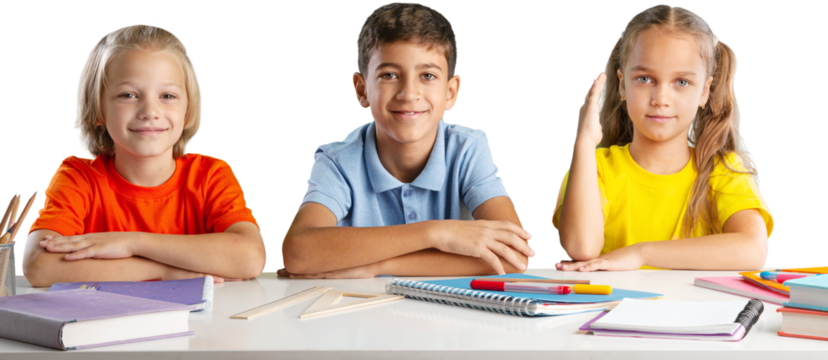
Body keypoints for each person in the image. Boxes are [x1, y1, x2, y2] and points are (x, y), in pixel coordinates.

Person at [278, 1, 535, 279]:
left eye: (427, 75)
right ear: (361, 90)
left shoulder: (467, 148)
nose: (409, 93)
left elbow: (515, 255)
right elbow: (297, 253)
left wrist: (378, 267)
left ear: (451, 92)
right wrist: (436, 232)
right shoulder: (338, 160)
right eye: (389, 75)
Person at [21, 22, 266, 287]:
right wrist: (163, 271)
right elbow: (38, 265)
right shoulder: (78, 178)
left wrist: (130, 242)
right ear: (99, 109)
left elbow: (250, 258)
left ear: (188, 109)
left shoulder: (210, 175)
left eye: (167, 95)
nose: (150, 110)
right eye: (128, 94)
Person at [552, 4, 774, 272]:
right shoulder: (595, 168)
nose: (661, 100)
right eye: (645, 78)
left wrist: (641, 254)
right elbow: (581, 247)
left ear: (704, 91)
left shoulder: (722, 171)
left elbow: (753, 250)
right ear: (622, 84)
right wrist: (584, 143)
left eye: (681, 82)